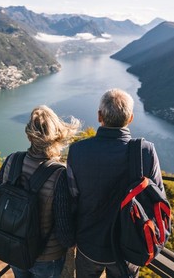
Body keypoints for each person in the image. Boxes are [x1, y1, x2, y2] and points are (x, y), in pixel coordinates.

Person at [67, 88, 164, 278]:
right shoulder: (145, 151)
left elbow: (72, 197)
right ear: (130, 119)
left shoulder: (77, 151)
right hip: (127, 247)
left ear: (99, 116)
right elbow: (157, 199)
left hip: (88, 243)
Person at [0, 105, 80, 278]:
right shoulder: (59, 174)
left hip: (14, 247)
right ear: (58, 135)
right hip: (47, 257)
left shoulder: (12, 160)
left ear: (29, 135)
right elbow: (64, 230)